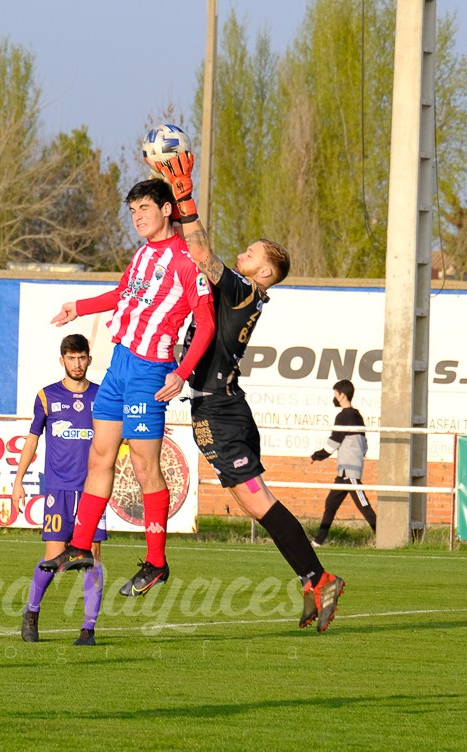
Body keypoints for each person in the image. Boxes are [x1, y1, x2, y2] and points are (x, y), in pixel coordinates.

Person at [153, 149, 344, 632]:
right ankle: (310, 577)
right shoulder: (244, 292)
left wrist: (185, 194)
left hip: (219, 409)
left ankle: (319, 578)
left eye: (251, 254)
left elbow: (201, 254)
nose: (242, 254)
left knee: (258, 501)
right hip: (220, 407)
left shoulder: (242, 290)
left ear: (263, 273)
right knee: (250, 502)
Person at [41, 177, 215, 598]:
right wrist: (77, 308)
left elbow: (206, 321)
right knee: (99, 458)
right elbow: (123, 294)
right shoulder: (141, 255)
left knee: (143, 467)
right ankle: (80, 546)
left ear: (167, 210)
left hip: (150, 371)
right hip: (119, 365)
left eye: (145, 209)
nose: (137, 217)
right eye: (133, 211)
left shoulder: (187, 259)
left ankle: (156, 562)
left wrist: (182, 371)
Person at [12, 334, 106, 646]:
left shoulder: (103, 396)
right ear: (62, 360)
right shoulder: (46, 396)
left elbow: (121, 432)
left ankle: (88, 630)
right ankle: (32, 611)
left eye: (82, 358)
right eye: (71, 358)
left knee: (91, 557)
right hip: (58, 489)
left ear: (89, 359)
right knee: (54, 556)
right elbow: (32, 439)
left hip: (93, 489)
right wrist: (18, 481)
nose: (77, 364)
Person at [310, 378, 377, 546]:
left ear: (342, 395)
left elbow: (334, 442)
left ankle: (382, 536)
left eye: (335, 394)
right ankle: (318, 541)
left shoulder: (344, 416)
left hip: (349, 470)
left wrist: (317, 455)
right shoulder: (357, 416)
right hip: (344, 471)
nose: (334, 397)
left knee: (364, 505)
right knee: (331, 504)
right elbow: (364, 444)